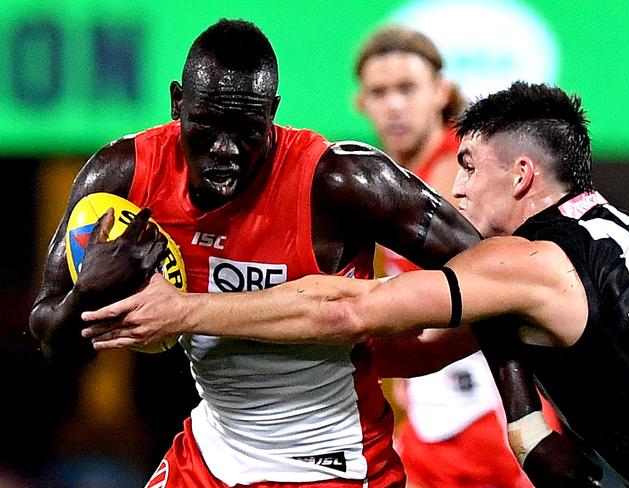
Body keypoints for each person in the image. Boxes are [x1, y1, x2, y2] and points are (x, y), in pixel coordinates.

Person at [81, 82, 629, 487]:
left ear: (521, 175)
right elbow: (430, 344)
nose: (459, 189)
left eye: (468, 166)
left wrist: (183, 312)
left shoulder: (530, 261)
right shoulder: (619, 230)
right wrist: (527, 428)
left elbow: (345, 310)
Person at [29, 19, 484, 488]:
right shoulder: (122, 176)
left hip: (330, 463)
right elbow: (51, 337)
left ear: (272, 113)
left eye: (247, 130)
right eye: (206, 127)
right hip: (210, 456)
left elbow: (498, 276)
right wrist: (87, 295)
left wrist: (524, 422)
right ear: (176, 104)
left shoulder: (341, 182)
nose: (225, 150)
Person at [355, 26, 530, 488]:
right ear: (361, 103)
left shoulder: (464, 176)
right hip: (429, 423)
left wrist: (525, 420)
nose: (394, 105)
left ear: (440, 92)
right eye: (379, 92)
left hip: (488, 419)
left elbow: (514, 298)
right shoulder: (387, 182)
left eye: (407, 89)